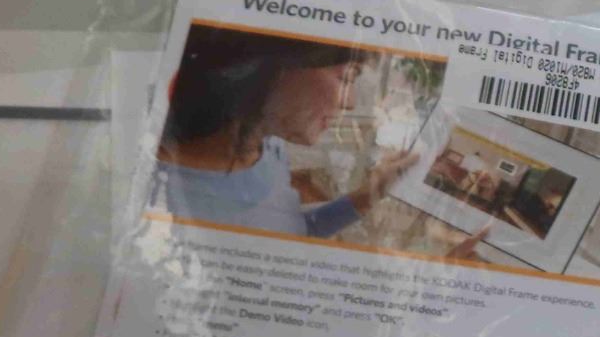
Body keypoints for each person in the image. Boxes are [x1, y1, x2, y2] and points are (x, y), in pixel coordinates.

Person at [152, 25, 417, 238]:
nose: (350, 102)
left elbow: (292, 229)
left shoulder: (268, 147)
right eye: (346, 78)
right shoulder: (164, 198)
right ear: (277, 68)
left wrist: (372, 191)